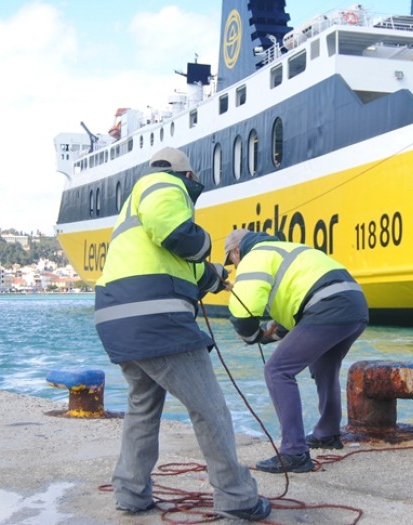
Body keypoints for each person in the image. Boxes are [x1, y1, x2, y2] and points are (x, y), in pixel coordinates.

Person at [94, 148, 270, 521]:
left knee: (143, 408)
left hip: (117, 317)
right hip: (155, 319)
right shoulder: (161, 182)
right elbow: (175, 232)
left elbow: (178, 262)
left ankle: (131, 493)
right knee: (210, 410)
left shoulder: (133, 216)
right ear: (187, 176)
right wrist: (206, 243)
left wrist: (214, 277)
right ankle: (237, 497)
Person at [223, 229, 369, 474]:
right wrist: (267, 336)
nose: (234, 266)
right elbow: (298, 319)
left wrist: (250, 335)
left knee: (277, 370)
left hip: (327, 306)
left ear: (237, 250)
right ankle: (327, 433)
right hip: (354, 305)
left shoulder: (255, 256)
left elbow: (244, 310)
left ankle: (294, 452)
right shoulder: (287, 250)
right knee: (324, 367)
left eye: (231, 260)